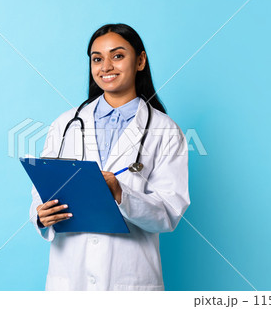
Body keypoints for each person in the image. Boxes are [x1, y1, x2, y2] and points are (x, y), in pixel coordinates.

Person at [29, 23, 190, 291]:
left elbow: (169, 214)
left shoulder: (165, 130)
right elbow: (41, 190)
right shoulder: (66, 123)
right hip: (70, 277)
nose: (106, 67)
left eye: (117, 56)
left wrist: (120, 192)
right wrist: (41, 215)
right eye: (97, 58)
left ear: (140, 61)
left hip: (129, 279)